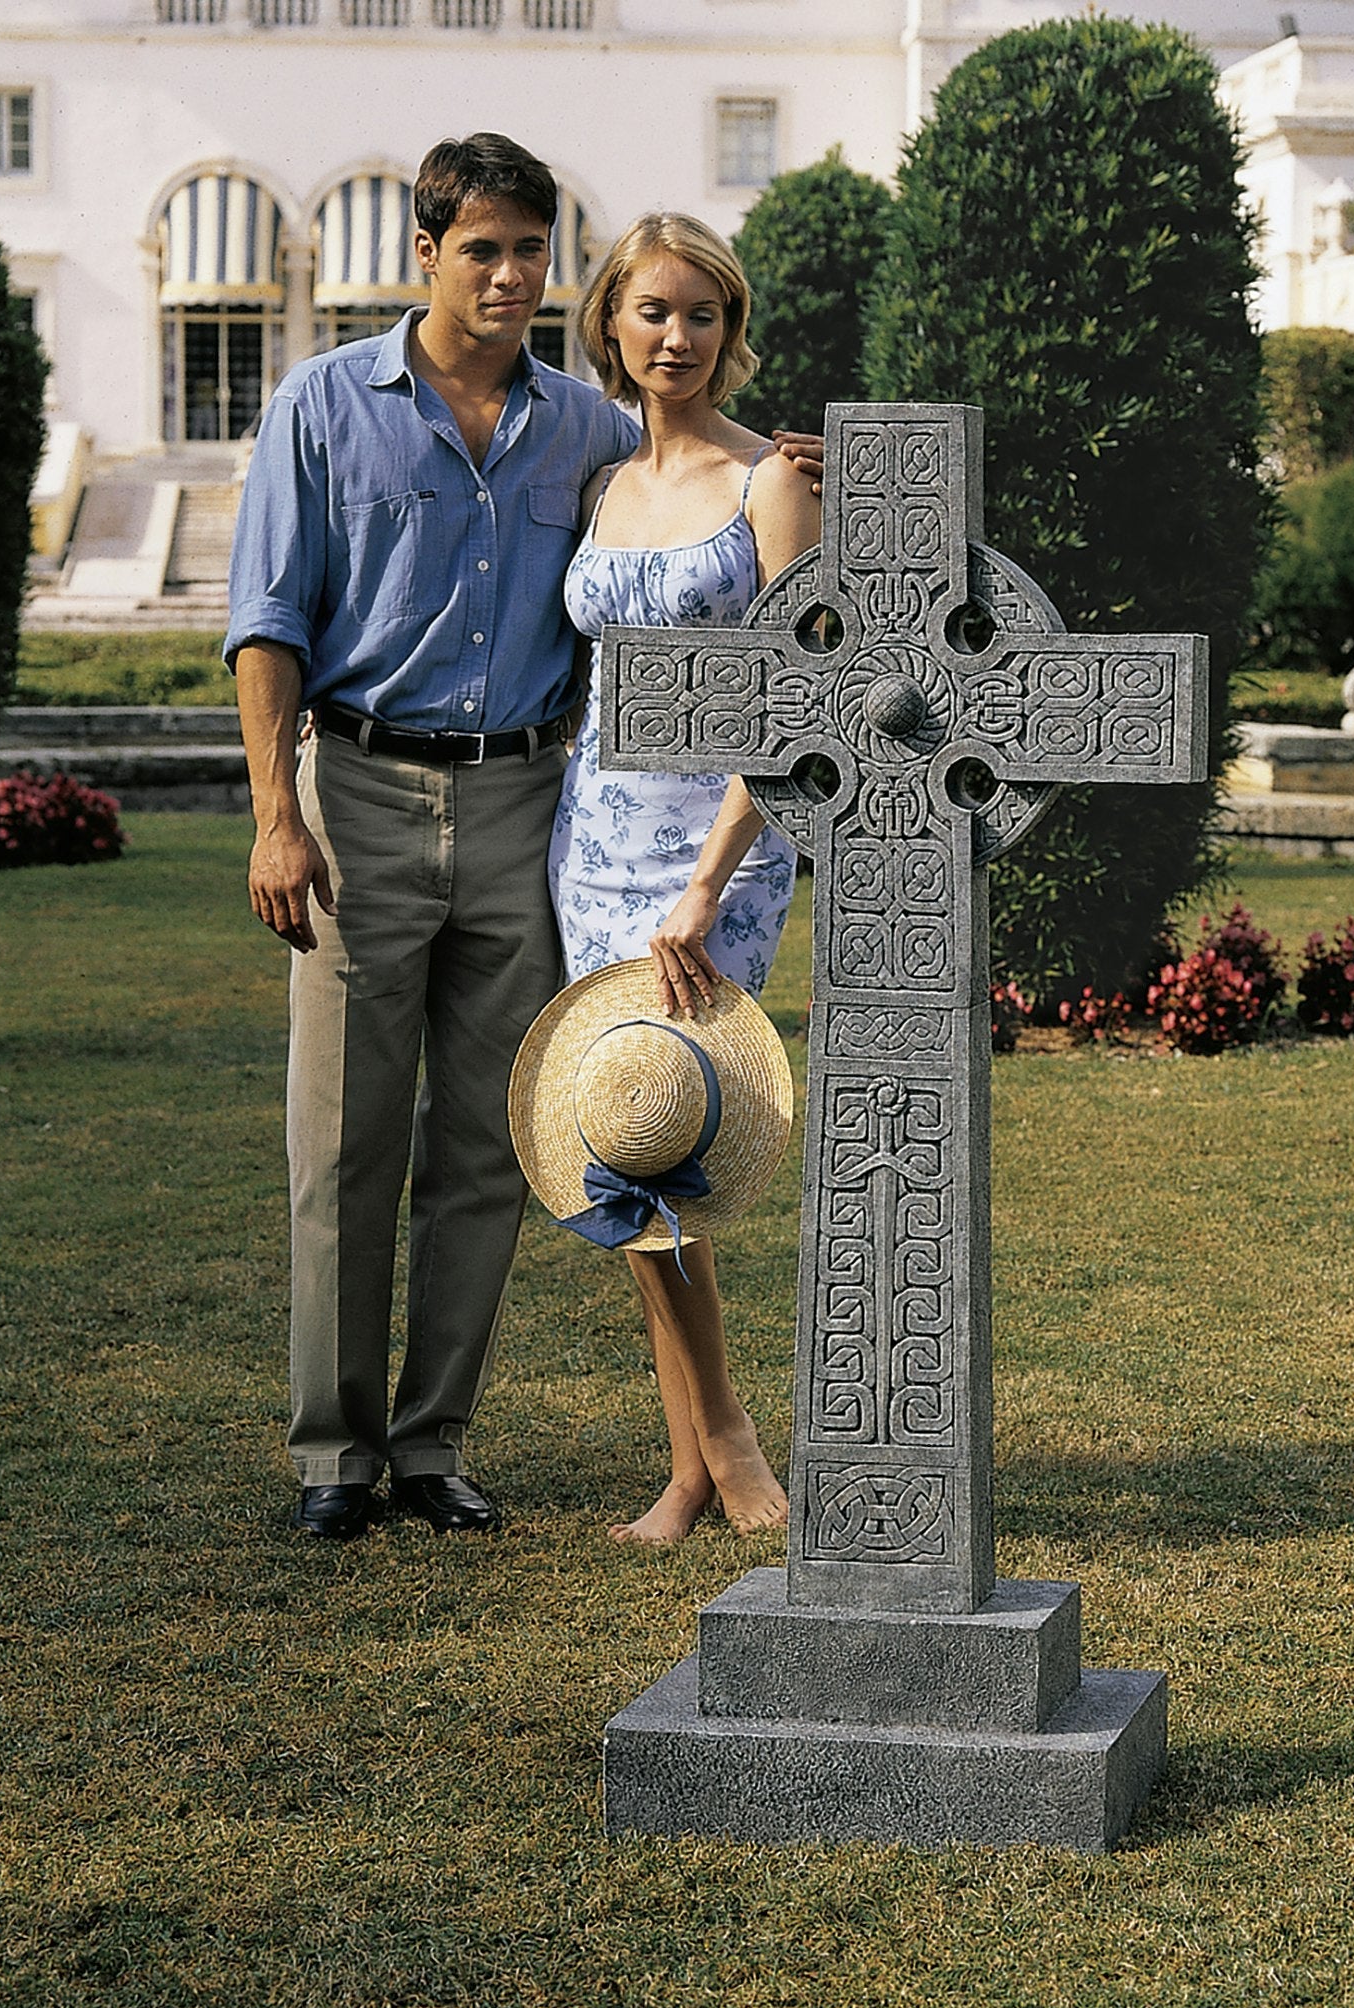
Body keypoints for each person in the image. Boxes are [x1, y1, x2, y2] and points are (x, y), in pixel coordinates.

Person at [225, 136, 819, 1541]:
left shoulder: (584, 428)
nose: (507, 275)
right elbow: (269, 620)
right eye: (481, 248)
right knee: (347, 1140)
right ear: (424, 250)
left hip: (527, 811)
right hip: (360, 800)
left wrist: (814, 464)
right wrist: (271, 815)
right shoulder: (323, 404)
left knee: (513, 1143)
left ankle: (433, 1448)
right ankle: (335, 1457)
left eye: (530, 251)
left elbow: (722, 494)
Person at [548, 213, 821, 1545]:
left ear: (730, 330)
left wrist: (708, 887)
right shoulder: (600, 473)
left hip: (720, 854)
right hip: (592, 847)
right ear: (610, 322)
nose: (677, 337)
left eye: (702, 315)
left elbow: (791, 696)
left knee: (679, 1130)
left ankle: (725, 1451)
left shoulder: (771, 478)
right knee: (621, 1137)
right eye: (652, 312)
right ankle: (696, 1465)